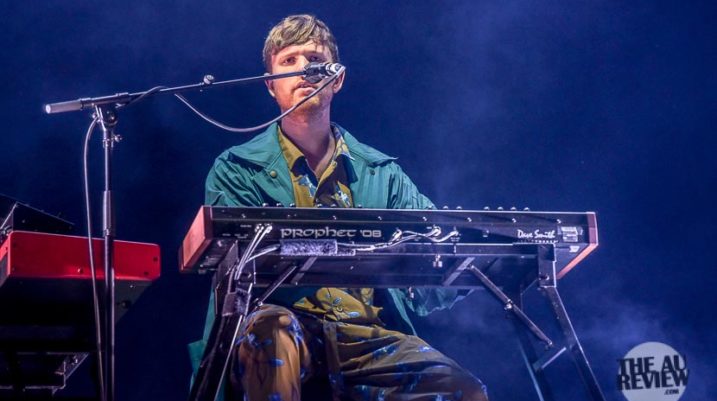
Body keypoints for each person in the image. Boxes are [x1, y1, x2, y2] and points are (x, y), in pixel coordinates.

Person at [190, 14, 489, 401]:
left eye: (315, 59)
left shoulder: (382, 173)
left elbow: (431, 268)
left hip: (365, 336)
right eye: (289, 61)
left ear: (337, 79)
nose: (304, 70)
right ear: (270, 85)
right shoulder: (236, 168)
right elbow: (237, 277)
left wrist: (481, 260)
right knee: (273, 330)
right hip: (282, 328)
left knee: (464, 390)